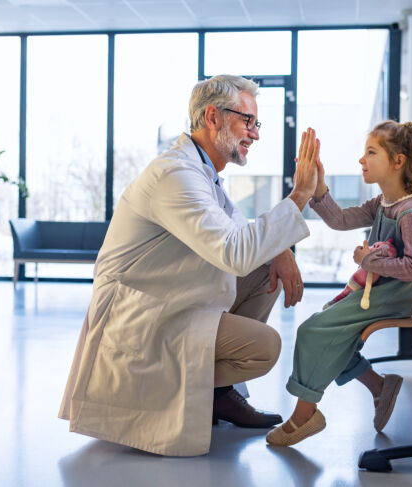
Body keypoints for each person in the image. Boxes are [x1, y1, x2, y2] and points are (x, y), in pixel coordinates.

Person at [58, 75, 322, 456]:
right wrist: (298, 196)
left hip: (171, 300)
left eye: (256, 124)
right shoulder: (175, 175)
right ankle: (182, 390)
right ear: (212, 116)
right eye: (248, 121)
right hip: (140, 316)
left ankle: (215, 395)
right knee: (264, 348)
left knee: (266, 269)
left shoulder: (203, 174)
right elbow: (234, 252)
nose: (256, 135)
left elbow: (237, 235)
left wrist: (279, 250)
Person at [266, 120, 412, 447]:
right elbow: (340, 220)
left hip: (394, 296)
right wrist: (318, 186)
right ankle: (379, 387)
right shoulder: (383, 204)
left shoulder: (411, 211)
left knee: (313, 331)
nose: (362, 160)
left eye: (371, 153)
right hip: (378, 291)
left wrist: (367, 260)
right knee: (330, 329)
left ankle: (304, 415)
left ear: (398, 162)